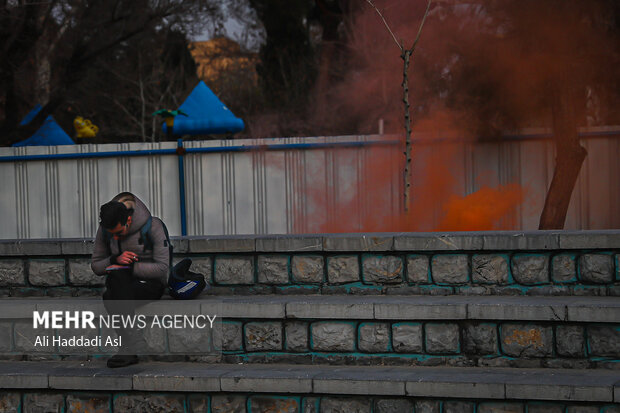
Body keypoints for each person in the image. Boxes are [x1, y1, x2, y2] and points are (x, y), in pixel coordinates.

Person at [91, 192, 170, 368]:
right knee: (115, 283)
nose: (116, 237)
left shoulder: (153, 226)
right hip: (121, 284)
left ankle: (128, 347)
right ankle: (130, 346)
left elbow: (163, 267)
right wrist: (114, 259)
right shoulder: (105, 229)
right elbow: (96, 266)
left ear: (128, 220)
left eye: (118, 232)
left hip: (150, 285)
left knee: (111, 297)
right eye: (112, 234)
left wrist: (132, 267)